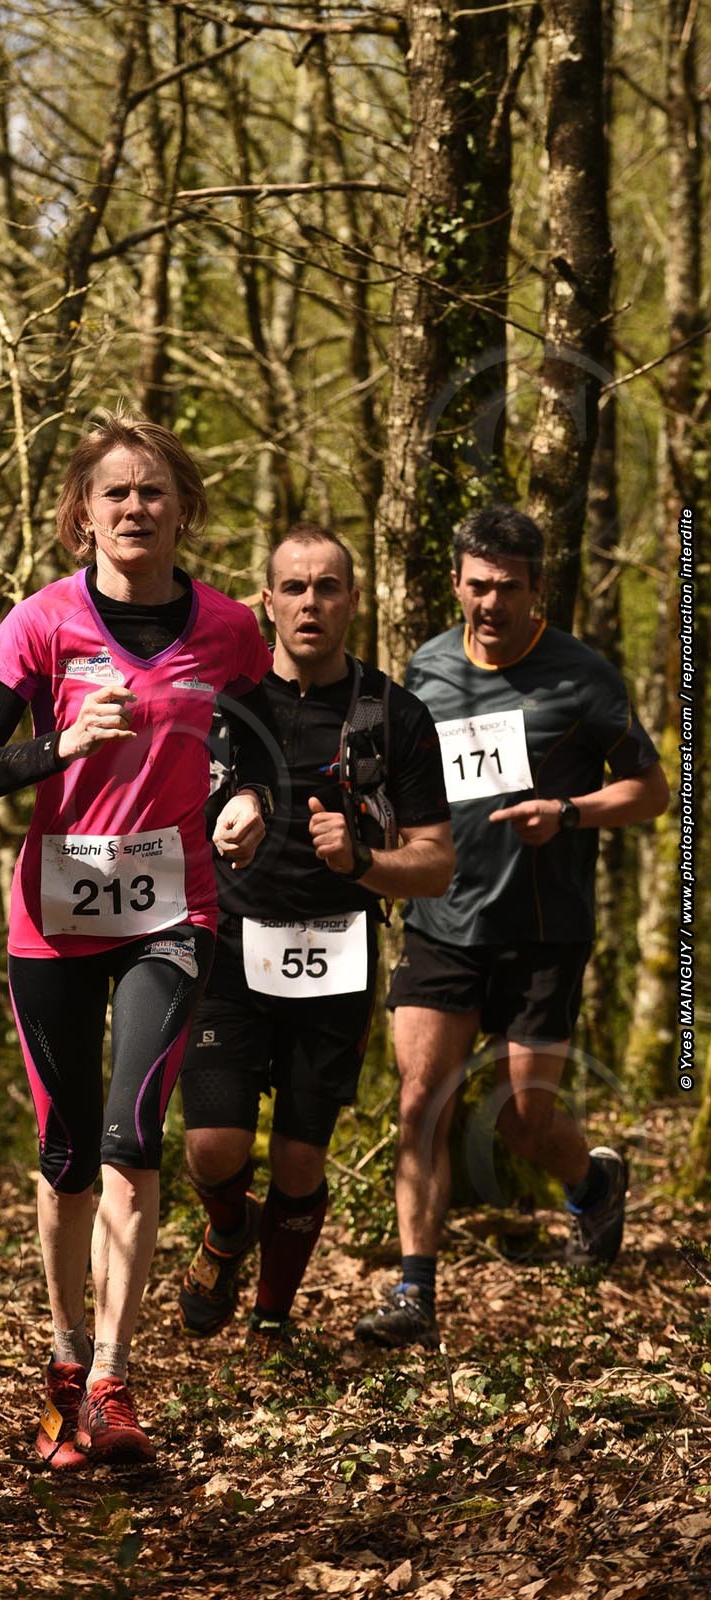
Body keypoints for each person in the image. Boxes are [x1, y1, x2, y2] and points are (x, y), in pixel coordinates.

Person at [0, 412, 276, 1466]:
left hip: (172, 913)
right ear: (82, 514)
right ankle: (64, 1363)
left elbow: (263, 747)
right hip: (54, 917)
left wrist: (250, 800)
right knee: (69, 1152)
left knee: (133, 1137)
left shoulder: (231, 630)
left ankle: (115, 1384)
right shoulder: (40, 623)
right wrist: (58, 743)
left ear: (185, 509)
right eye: (115, 492)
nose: (135, 507)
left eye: (153, 490)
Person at [355, 504, 670, 1350]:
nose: (491, 603)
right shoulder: (425, 667)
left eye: (508, 588)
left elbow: (651, 791)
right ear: (457, 583)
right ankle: (415, 1291)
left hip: (543, 928)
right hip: (442, 919)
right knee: (421, 1101)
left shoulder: (582, 675)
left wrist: (567, 812)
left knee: (523, 1121)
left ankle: (593, 1186)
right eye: (478, 586)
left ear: (537, 589)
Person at [177, 524, 453, 1354]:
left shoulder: (394, 714)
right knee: (212, 1146)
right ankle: (228, 1230)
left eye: (327, 587)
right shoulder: (224, 705)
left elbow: (437, 864)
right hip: (229, 945)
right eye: (293, 588)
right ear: (266, 602)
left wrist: (362, 861)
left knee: (300, 1162)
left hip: (335, 954)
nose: (310, 603)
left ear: (353, 601)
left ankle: (271, 1318)